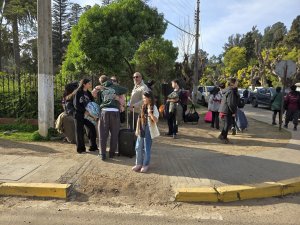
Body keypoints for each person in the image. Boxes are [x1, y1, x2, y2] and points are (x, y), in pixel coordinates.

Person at [94, 75, 127, 160]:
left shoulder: (100, 89)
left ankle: (103, 154)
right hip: (115, 112)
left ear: (101, 82)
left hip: (104, 111)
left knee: (102, 134)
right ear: (110, 80)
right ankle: (112, 153)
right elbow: (125, 90)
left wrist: (98, 88)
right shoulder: (116, 87)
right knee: (114, 133)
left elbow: (96, 98)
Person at [132, 91, 160, 173]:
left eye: (144, 98)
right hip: (141, 128)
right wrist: (137, 129)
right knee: (138, 146)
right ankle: (138, 163)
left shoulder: (153, 107)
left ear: (150, 98)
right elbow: (140, 119)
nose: (143, 99)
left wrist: (150, 113)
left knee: (146, 148)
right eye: (143, 97)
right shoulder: (143, 106)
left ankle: (145, 164)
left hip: (149, 129)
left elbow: (156, 120)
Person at [73, 79, 98, 154]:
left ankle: (93, 147)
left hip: (88, 115)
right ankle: (81, 149)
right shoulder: (78, 93)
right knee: (79, 132)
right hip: (79, 115)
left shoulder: (88, 93)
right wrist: (84, 111)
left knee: (92, 128)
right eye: (89, 83)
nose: (90, 84)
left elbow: (92, 103)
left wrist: (93, 112)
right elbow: (76, 105)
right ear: (84, 84)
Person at [218, 78, 239, 144]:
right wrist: (233, 112)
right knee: (227, 125)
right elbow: (231, 103)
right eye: (236, 82)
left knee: (226, 125)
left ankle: (222, 136)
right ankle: (224, 137)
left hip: (225, 110)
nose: (237, 83)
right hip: (226, 110)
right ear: (233, 83)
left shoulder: (229, 90)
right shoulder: (231, 91)